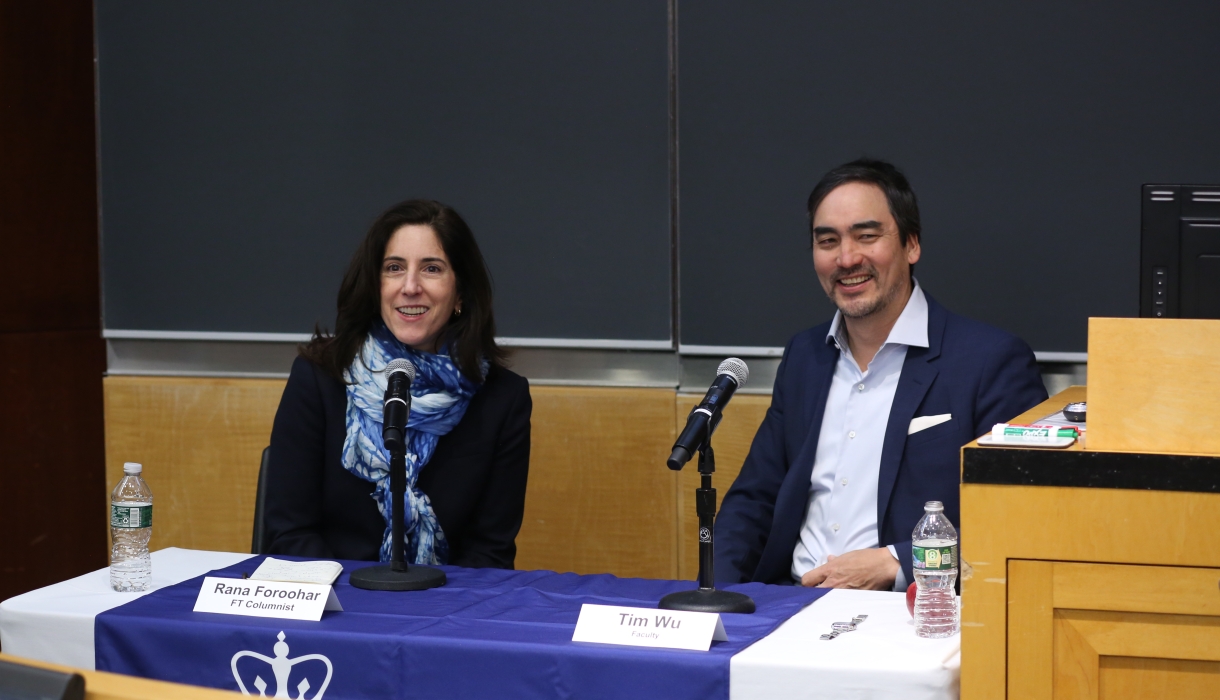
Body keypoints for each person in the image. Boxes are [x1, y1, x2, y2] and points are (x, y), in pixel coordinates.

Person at [713, 159, 1047, 590]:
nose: (847, 258)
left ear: (911, 245)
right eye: (828, 241)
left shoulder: (989, 361)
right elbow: (754, 499)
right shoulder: (804, 357)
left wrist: (895, 563)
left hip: (906, 614)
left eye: (867, 236)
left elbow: (1022, 518)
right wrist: (717, 599)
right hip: (788, 603)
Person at [264, 199, 531, 568]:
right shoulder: (319, 378)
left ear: (461, 293)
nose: (410, 287)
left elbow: (490, 552)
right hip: (335, 608)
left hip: (443, 611)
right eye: (393, 268)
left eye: (432, 269)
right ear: (376, 285)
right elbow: (289, 534)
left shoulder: (504, 399)